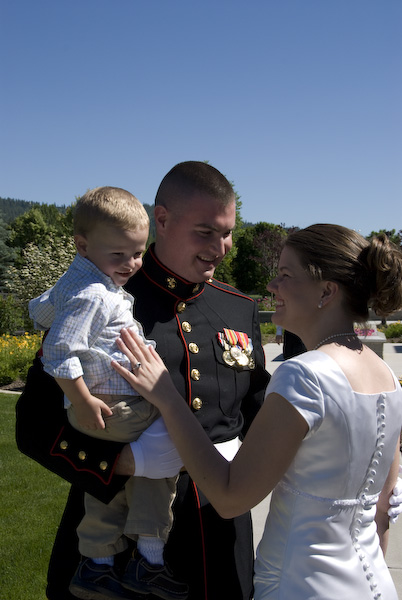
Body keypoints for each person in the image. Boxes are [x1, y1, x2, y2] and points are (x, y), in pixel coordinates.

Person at [16, 162, 270, 600]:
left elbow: (259, 417)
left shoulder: (237, 308)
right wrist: (124, 463)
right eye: (206, 232)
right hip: (119, 540)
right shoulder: (101, 294)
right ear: (162, 220)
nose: (220, 248)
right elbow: (33, 424)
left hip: (217, 533)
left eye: (227, 233)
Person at [112, 224, 402, 600]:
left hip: (302, 586)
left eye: (286, 275)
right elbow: (382, 514)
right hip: (372, 584)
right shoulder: (387, 377)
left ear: (327, 291)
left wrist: (167, 397)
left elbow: (230, 498)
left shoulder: (307, 374)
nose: (272, 286)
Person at [28, 186, 188, 600]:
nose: (132, 264)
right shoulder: (93, 294)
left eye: (137, 253)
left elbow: (39, 311)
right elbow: (58, 350)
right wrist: (83, 400)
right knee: (175, 444)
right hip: (114, 405)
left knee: (110, 480)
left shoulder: (76, 281)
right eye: (119, 254)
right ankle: (149, 559)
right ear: (83, 245)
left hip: (102, 407)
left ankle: (97, 565)